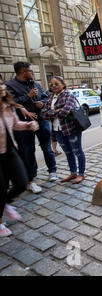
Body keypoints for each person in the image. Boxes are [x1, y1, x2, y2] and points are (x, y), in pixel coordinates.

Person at [4, 62, 57, 192]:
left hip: (41, 120)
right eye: (30, 71)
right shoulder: (9, 86)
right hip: (24, 123)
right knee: (28, 150)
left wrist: (42, 103)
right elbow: (12, 103)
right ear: (23, 72)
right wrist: (28, 97)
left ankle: (52, 171)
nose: (32, 73)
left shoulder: (36, 84)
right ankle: (32, 176)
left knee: (47, 147)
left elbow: (46, 98)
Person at [0, 81, 39, 237]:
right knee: (0, 187)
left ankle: (5, 203)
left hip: (10, 150)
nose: (2, 87)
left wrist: (28, 125)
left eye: (1, 83)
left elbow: (15, 125)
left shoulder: (8, 105)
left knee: (22, 183)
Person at [41, 76, 86, 184]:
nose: (53, 86)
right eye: (51, 84)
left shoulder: (69, 95)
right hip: (57, 130)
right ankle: (73, 172)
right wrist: (56, 111)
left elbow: (65, 112)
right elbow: (43, 114)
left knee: (77, 151)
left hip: (71, 129)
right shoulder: (51, 97)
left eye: (56, 83)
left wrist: (53, 112)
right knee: (68, 152)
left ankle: (81, 174)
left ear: (63, 84)